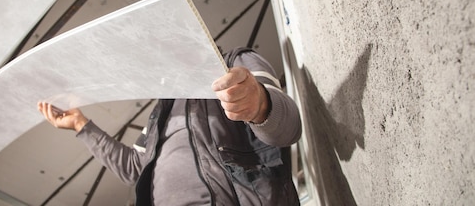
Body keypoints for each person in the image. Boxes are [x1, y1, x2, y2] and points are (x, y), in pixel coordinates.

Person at [37, 47, 302, 205]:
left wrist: (259, 105)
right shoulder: (160, 112)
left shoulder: (234, 63)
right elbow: (134, 168)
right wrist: (81, 125)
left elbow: (288, 127)